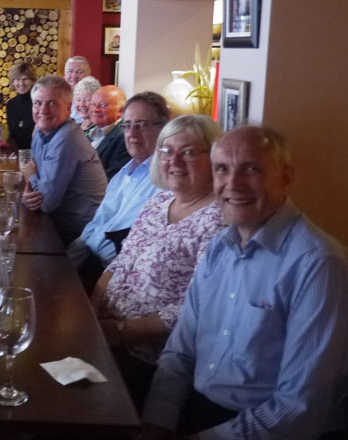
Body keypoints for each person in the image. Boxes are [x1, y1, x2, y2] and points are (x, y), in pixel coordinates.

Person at [142, 126, 348, 439]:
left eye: (251, 169)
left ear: (286, 177)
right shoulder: (218, 248)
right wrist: (155, 424)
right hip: (194, 413)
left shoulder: (317, 263)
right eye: (222, 169)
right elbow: (179, 354)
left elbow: (299, 408)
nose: (233, 184)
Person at [89, 115, 224, 411]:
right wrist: (92, 309)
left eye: (188, 152)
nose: (174, 159)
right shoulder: (158, 203)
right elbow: (121, 262)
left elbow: (194, 309)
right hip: (107, 334)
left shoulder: (218, 221)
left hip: (150, 358)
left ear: (213, 158)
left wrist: (120, 331)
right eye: (167, 150)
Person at [67, 92, 170, 289]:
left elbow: (127, 253)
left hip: (114, 280)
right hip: (85, 262)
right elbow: (95, 227)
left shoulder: (164, 182)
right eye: (127, 125)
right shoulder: (124, 174)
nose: (132, 133)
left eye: (141, 125)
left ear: (163, 128)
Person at [21, 75, 107, 245]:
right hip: (55, 224)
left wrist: (30, 175)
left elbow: (46, 203)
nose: (43, 110)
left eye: (52, 103)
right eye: (38, 103)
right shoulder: (40, 132)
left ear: (68, 108)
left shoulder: (67, 138)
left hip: (80, 236)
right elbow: (36, 186)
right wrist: (27, 192)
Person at [87, 85, 130, 179]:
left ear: (121, 111)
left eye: (103, 105)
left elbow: (111, 178)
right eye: (93, 104)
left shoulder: (124, 137)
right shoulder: (92, 132)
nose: (95, 109)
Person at [5, 61, 37, 150]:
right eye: (17, 79)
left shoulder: (38, 102)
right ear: (13, 82)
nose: (21, 83)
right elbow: (12, 135)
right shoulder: (10, 105)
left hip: (37, 153)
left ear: (33, 81)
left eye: (25, 79)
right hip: (17, 154)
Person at [64, 55, 92, 123]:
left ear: (88, 74)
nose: (74, 76)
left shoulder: (93, 98)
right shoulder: (59, 96)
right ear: (65, 75)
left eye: (79, 72)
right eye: (70, 71)